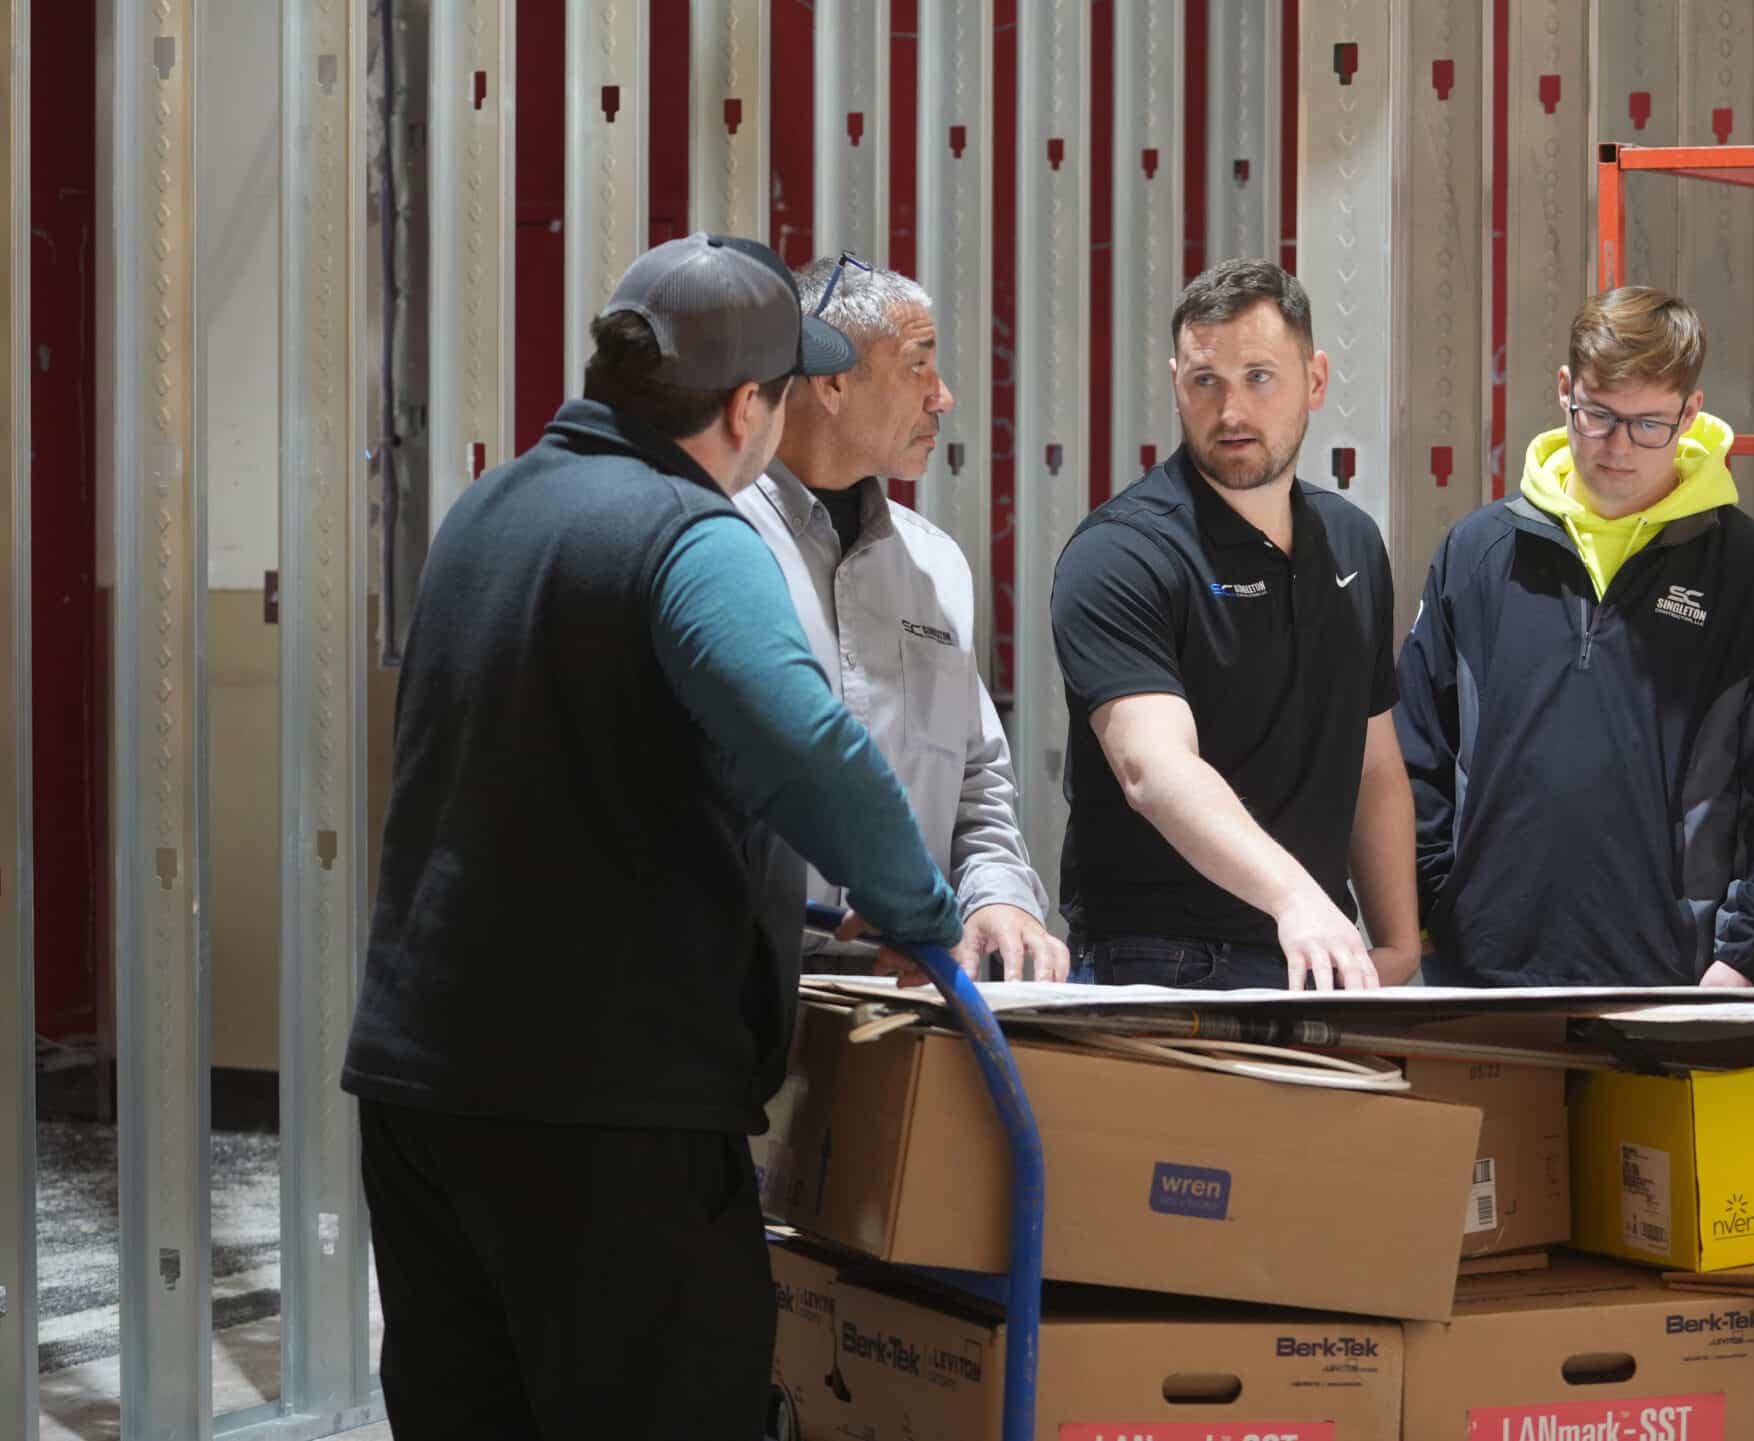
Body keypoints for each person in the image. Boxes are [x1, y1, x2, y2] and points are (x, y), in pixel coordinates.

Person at [341, 233, 965, 1439]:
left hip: (425, 1092)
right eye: (782, 398)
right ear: (745, 408)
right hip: (604, 1119)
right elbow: (810, 746)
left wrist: (797, 907)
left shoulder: (490, 510)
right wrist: (916, 908)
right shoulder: (689, 534)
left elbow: (573, 789)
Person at [1397, 286, 1754, 988]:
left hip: (1674, 981)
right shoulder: (1476, 555)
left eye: (1649, 424)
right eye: (1597, 415)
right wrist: (1435, 906)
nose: (1619, 446)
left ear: (1691, 413)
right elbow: (1415, 752)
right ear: (1566, 390)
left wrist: (1742, 961)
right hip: (1480, 972)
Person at [1049, 258, 1419, 991]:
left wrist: (1401, 941)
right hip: (1159, 962)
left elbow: (1373, 764)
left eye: (1259, 376)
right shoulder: (1121, 552)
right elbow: (1152, 768)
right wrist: (1298, 899)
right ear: (1176, 383)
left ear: (1315, 379)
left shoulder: (1351, 542)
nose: (1231, 413)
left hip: (1315, 959)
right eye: (1205, 381)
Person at [733, 252, 1068, 984]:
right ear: (830, 382)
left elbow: (977, 780)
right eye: (918, 366)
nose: (943, 397)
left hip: (907, 983)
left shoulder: (936, 565)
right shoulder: (715, 543)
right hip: (743, 983)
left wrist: (1000, 898)